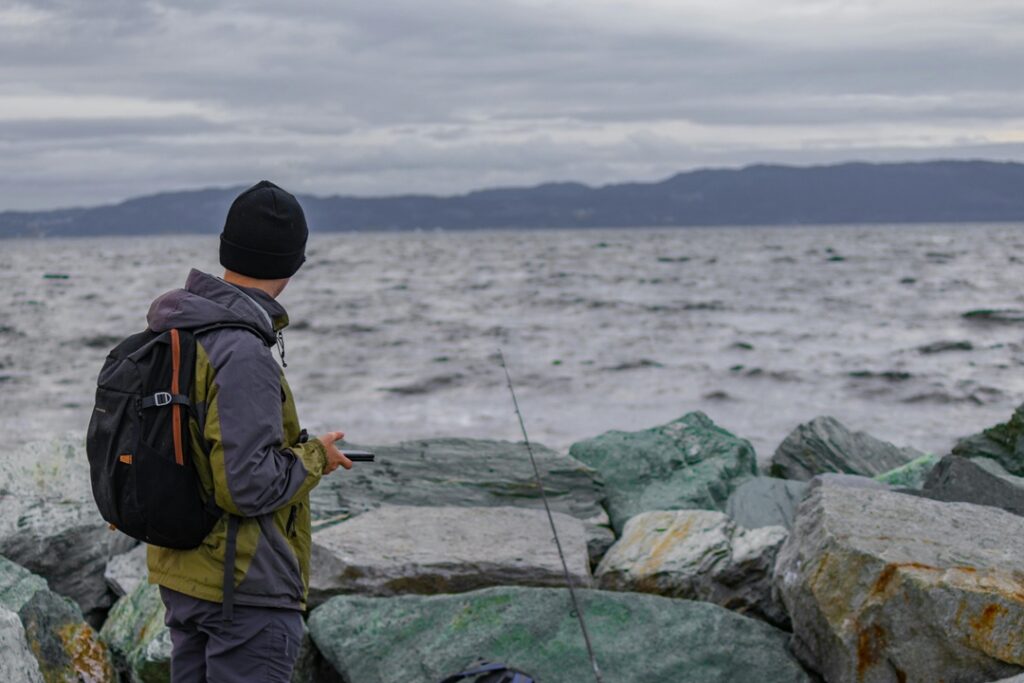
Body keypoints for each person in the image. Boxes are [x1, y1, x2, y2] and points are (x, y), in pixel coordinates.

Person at [144, 180, 352, 682]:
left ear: (226, 249)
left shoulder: (178, 330)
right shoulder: (241, 351)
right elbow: (246, 484)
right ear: (293, 263)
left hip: (187, 576)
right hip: (243, 590)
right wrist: (316, 456)